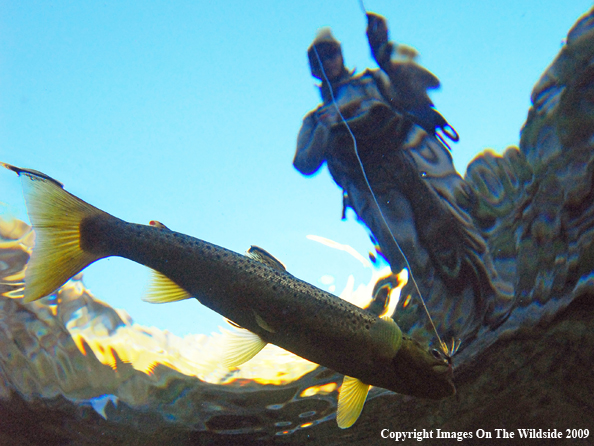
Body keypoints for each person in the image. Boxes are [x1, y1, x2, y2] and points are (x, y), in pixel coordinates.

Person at [293, 13, 513, 344]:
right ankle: (453, 329)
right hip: (374, 185)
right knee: (411, 253)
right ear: (313, 69)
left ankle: (496, 293)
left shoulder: (371, 81)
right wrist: (328, 125)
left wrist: (383, 51)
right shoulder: (315, 119)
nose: (328, 61)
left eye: (331, 53)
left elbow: (413, 91)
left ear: (341, 55)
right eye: (319, 58)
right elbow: (304, 162)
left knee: (452, 224)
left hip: (409, 161)